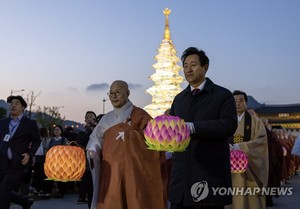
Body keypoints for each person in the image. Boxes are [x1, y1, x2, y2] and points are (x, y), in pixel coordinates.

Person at [168, 47, 238, 209]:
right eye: (185, 66)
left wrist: (194, 127)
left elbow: (228, 125)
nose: (188, 70)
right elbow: (172, 130)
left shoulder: (222, 95)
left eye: (193, 65)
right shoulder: (179, 99)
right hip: (181, 177)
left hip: (209, 175)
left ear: (205, 67)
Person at [86, 80, 167, 209]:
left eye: (118, 92)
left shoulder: (140, 115)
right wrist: (93, 149)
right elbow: (95, 140)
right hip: (111, 171)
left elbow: (155, 141)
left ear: (128, 93)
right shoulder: (106, 118)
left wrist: (131, 136)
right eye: (111, 93)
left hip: (133, 172)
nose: (113, 96)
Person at [228, 90, 269, 209]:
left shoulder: (256, 122)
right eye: (234, 101)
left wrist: (241, 147)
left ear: (246, 103)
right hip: (229, 167)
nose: (237, 103)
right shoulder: (226, 121)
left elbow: (261, 142)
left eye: (241, 101)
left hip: (250, 168)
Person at [0, 95, 40, 209]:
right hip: (1, 161)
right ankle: (24, 201)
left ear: (23, 107)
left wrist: (30, 153)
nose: (13, 105)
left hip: (17, 162)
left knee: (4, 190)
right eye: (11, 103)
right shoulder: (2, 122)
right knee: (4, 191)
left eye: (16, 103)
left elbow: (37, 141)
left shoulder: (30, 123)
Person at [76, 111, 101, 207]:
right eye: (88, 117)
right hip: (88, 167)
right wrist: (91, 130)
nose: (90, 119)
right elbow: (82, 142)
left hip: (101, 164)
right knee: (91, 190)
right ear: (85, 121)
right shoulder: (82, 133)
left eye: (92, 117)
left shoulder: (101, 132)